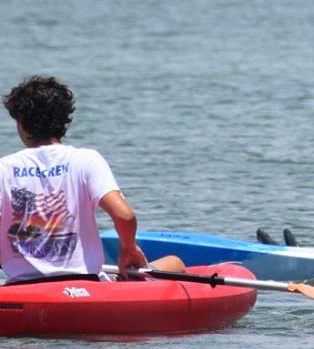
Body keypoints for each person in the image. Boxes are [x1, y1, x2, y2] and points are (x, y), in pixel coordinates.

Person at [2, 74, 182, 282]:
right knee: (174, 263)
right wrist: (129, 248)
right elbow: (125, 216)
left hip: (23, 290)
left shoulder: (4, 169)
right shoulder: (86, 160)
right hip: (86, 287)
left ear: (22, 124)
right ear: (64, 122)